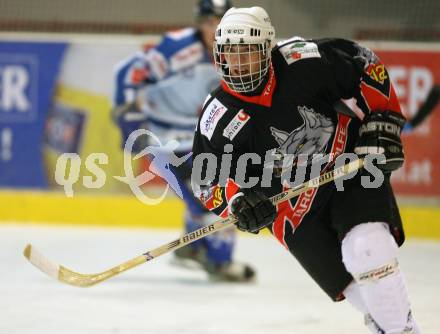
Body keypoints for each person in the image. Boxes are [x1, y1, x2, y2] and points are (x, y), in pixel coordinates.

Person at [192, 6, 421, 333]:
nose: (239, 65)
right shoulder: (217, 117)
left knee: (367, 250)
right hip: (290, 208)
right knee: (357, 290)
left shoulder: (305, 62)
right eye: (231, 54)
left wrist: (382, 117)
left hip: (347, 167)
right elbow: (205, 181)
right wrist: (237, 200)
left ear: (268, 50)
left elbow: (364, 62)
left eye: (248, 54)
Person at [112, 0, 256, 282]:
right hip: (163, 138)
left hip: (202, 136)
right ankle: (219, 262)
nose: (215, 30)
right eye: (209, 22)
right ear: (199, 23)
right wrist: (126, 111)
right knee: (212, 198)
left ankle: (191, 249)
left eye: (221, 21)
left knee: (206, 193)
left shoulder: (241, 52)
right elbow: (128, 71)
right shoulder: (177, 48)